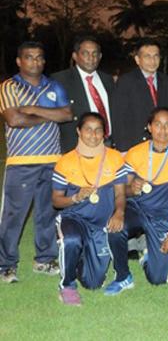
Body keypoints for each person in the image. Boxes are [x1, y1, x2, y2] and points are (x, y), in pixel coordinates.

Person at [0, 42, 72, 283]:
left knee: (47, 213)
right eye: (29, 58)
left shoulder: (54, 86)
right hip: (22, 162)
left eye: (40, 57)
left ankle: (44, 259)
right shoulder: (8, 87)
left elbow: (67, 115)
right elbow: (14, 120)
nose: (35, 62)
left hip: (53, 160)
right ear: (19, 61)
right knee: (13, 216)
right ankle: (5, 265)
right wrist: (48, 113)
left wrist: (32, 110)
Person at [105, 108, 168, 294]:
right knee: (115, 227)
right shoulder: (135, 153)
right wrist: (133, 187)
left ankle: (146, 254)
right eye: (158, 125)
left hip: (164, 217)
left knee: (158, 279)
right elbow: (124, 191)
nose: (163, 130)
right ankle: (123, 276)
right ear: (149, 127)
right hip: (138, 209)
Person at [51, 112, 127, 305]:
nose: (93, 135)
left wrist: (119, 212)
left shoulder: (115, 158)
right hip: (74, 218)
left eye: (98, 130)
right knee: (72, 240)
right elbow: (56, 201)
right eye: (88, 130)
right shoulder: (65, 161)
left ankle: (77, 258)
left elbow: (120, 194)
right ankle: (67, 285)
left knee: (93, 283)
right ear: (78, 131)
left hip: (100, 224)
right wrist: (75, 197)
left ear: (104, 134)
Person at [111, 39, 168, 153]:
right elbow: (118, 118)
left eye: (156, 56)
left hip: (162, 146)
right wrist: (122, 149)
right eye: (147, 56)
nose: (152, 60)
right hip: (134, 146)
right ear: (137, 60)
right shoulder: (125, 82)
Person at [52, 36, 115, 152]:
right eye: (85, 53)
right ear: (75, 56)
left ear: (100, 56)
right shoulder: (60, 80)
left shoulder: (108, 80)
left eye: (95, 54)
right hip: (76, 147)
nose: (91, 58)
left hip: (108, 144)